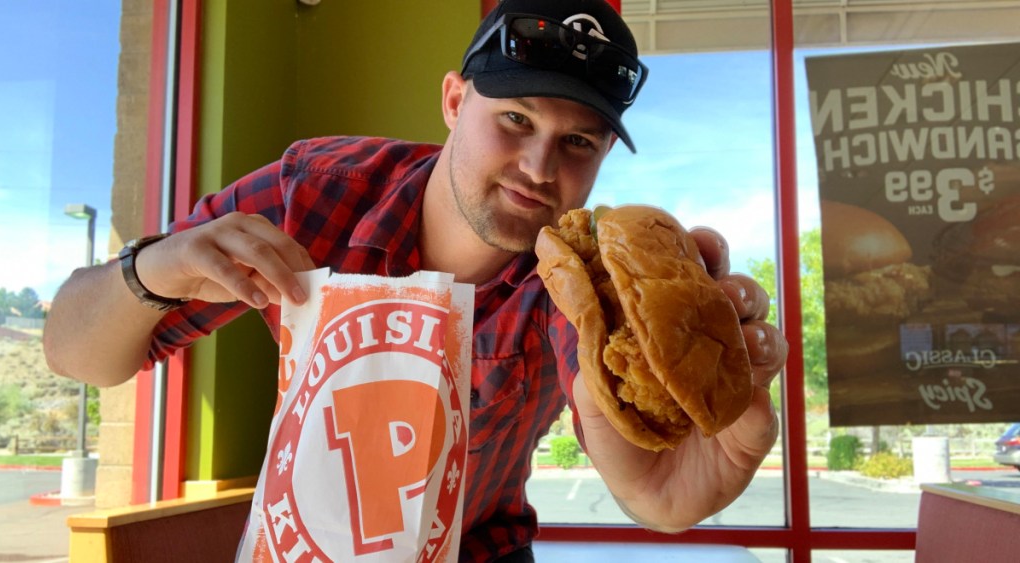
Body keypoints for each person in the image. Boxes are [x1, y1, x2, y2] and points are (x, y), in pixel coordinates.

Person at [44, 0, 788, 561]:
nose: (538, 167)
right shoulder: (319, 193)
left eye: (578, 142)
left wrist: (667, 489)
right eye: (517, 119)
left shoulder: (577, 284)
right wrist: (153, 269)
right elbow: (76, 353)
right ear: (456, 101)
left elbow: (637, 473)